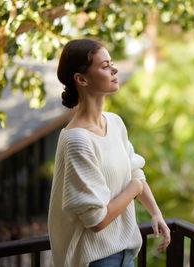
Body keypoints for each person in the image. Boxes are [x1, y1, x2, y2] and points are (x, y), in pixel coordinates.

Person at [48, 38, 171, 267]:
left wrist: (155, 213)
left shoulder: (114, 123)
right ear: (81, 79)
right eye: (105, 66)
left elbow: (135, 170)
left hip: (127, 254)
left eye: (111, 63)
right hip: (97, 261)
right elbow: (96, 220)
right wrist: (134, 188)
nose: (114, 69)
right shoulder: (77, 140)